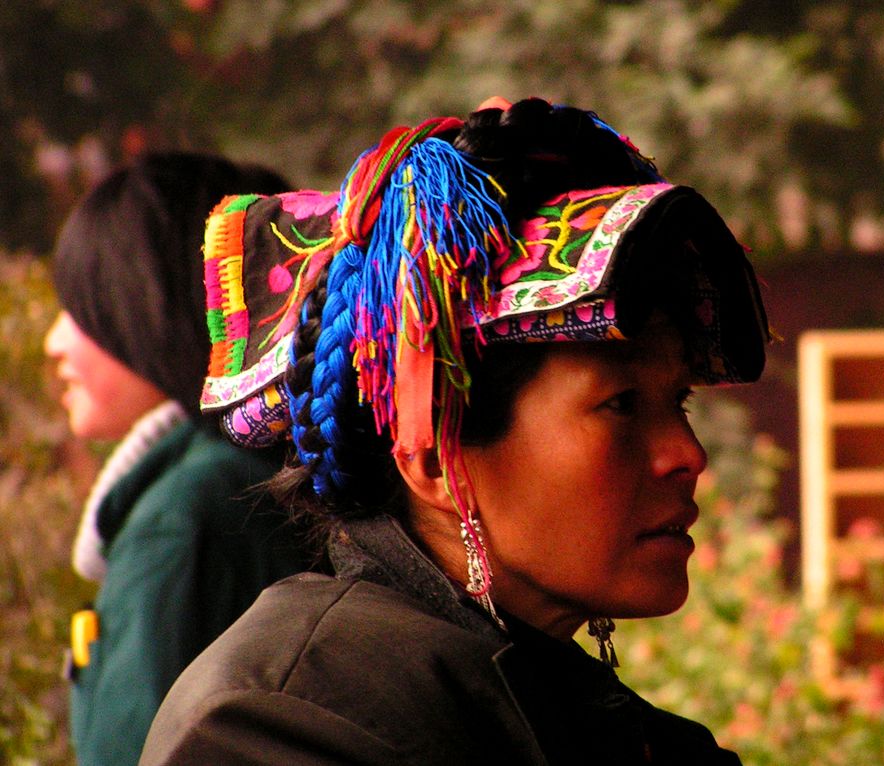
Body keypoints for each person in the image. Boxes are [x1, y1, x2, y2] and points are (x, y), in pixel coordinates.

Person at [140, 98, 770, 765]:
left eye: (680, 402)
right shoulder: (278, 725)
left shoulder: (610, 727)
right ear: (437, 458)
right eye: (621, 404)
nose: (686, 455)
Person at [43, 152, 324, 766]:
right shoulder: (275, 470)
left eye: (85, 308)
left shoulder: (186, 518)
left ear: (157, 309)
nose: (54, 342)